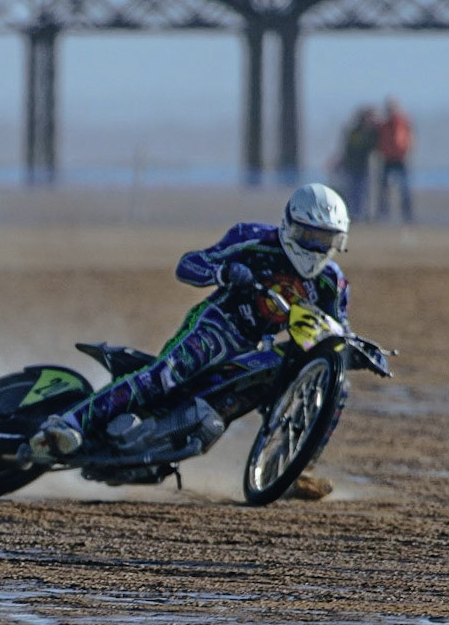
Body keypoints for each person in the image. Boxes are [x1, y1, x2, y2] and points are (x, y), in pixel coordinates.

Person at [30, 183, 351, 461]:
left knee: (331, 389)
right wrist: (222, 272)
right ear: (289, 224)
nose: (315, 247)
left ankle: (298, 468)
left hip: (257, 349)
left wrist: (353, 349)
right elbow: (189, 264)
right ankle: (68, 423)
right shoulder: (252, 239)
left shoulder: (330, 281)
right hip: (218, 325)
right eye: (308, 235)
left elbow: (336, 327)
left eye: (326, 239)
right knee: (166, 375)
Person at [331, 106, 378, 222]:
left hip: (365, 168)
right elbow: (347, 149)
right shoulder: (353, 132)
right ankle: (353, 214)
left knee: (364, 193)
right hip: (351, 167)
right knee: (352, 192)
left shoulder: (373, 133)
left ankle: (365, 215)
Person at [375, 96, 414, 223]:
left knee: (404, 189)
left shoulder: (402, 122)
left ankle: (407, 215)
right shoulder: (383, 125)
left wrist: (407, 151)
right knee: (384, 190)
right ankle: (383, 215)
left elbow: (408, 139)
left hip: (401, 159)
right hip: (388, 159)